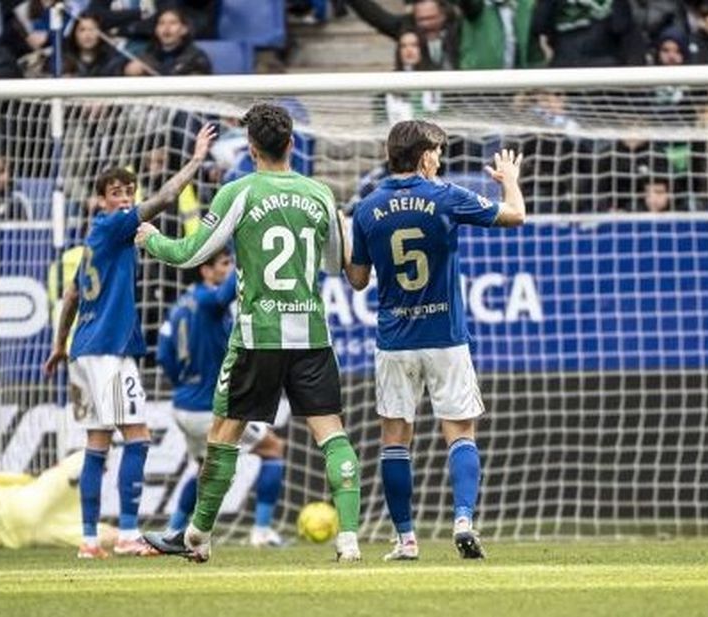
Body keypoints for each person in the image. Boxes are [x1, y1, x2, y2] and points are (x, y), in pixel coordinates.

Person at [135, 103, 364, 563]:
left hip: (258, 334)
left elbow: (191, 252)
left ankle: (197, 537)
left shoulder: (239, 191)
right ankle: (350, 541)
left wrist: (150, 239)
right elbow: (339, 264)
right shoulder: (319, 194)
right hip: (312, 336)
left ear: (251, 149)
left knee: (224, 433)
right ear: (292, 144)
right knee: (332, 434)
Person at [346, 120, 526, 560]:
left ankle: (406, 540)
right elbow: (516, 215)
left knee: (394, 439)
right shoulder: (444, 195)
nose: (441, 160)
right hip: (444, 335)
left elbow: (356, 280)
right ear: (425, 156)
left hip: (395, 340)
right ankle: (463, 518)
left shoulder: (367, 208)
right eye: (439, 152)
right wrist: (510, 182)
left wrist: (341, 243)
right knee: (460, 432)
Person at [44, 122, 215, 559]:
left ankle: (88, 540)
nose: (124, 198)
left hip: (83, 349)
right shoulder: (114, 225)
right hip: (108, 351)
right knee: (137, 437)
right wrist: (195, 160)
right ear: (102, 199)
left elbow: (70, 296)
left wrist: (60, 345)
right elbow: (163, 201)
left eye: (128, 190)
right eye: (116, 192)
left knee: (97, 444)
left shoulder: (92, 241)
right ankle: (127, 533)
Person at [149, 250, 293, 550]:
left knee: (205, 470)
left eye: (229, 263)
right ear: (205, 270)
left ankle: (174, 531)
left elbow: (163, 354)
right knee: (274, 450)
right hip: (207, 407)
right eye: (224, 264)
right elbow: (225, 295)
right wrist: (246, 256)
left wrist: (183, 383)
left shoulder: (179, 305)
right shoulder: (207, 302)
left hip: (183, 404)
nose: (228, 270)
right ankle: (262, 531)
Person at [0, 452, 112, 549]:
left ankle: (128, 538)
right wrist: (36, 481)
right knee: (87, 456)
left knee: (87, 538)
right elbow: (9, 478)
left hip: (30, 534)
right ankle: (88, 466)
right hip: (24, 502)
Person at [122, 9, 212, 76]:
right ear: (156, 30)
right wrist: (127, 70)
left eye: (173, 23)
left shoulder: (196, 57)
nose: (166, 28)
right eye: (161, 23)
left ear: (184, 30)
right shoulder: (147, 56)